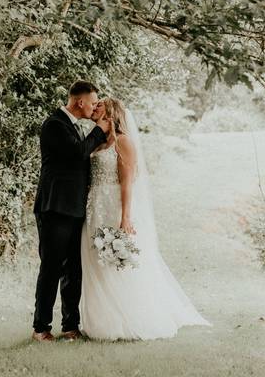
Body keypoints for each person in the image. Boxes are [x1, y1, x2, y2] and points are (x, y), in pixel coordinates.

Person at [79, 98, 210, 340]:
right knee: (95, 260)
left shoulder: (124, 142)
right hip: (93, 206)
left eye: (99, 106)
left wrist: (125, 217)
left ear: (111, 113)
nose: (94, 108)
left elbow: (127, 183)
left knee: (116, 262)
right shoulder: (97, 141)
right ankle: (102, 321)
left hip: (112, 205)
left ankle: (127, 318)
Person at [31, 80, 111, 342]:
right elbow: (78, 154)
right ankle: (41, 328)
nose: (95, 105)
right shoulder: (54, 124)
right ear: (80, 101)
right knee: (51, 268)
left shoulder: (75, 127)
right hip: (54, 208)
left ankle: (70, 326)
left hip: (75, 208)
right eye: (93, 100)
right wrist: (99, 130)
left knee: (73, 270)